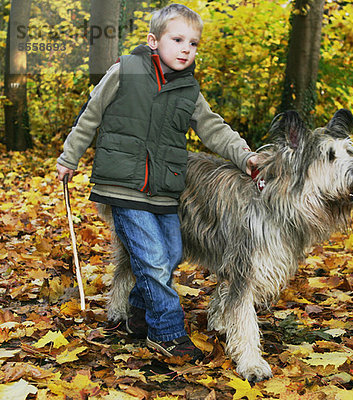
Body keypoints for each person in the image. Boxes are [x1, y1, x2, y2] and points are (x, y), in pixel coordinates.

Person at [56, 3, 258, 362]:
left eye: (193, 44)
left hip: (165, 190)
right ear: (153, 41)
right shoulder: (125, 72)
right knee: (151, 261)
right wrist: (69, 157)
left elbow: (214, 129)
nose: (186, 49)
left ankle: (137, 313)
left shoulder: (188, 91)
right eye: (177, 39)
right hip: (123, 185)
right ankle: (166, 332)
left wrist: (246, 156)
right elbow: (91, 115)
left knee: (171, 254)